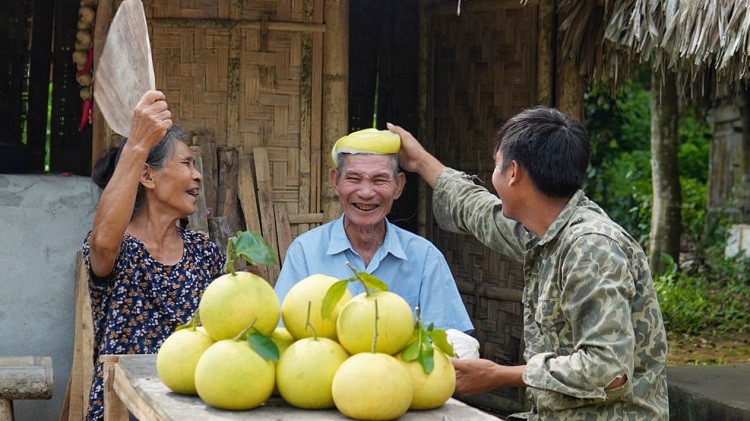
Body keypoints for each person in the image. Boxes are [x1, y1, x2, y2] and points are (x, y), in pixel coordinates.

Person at [388, 107, 669, 419]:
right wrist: (419, 160)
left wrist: (501, 375)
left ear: (513, 173)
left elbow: (609, 370)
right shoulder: (544, 231)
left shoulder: (592, 248)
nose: (493, 176)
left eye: (495, 166)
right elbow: (478, 210)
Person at [83, 91, 224, 420]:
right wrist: (137, 143)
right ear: (146, 175)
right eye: (187, 163)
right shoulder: (120, 250)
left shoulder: (205, 253)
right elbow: (103, 241)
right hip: (123, 407)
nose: (198, 175)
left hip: (191, 407)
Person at [274, 129, 473, 334]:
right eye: (353, 178)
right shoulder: (305, 252)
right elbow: (283, 333)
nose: (366, 193)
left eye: (379, 180)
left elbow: (450, 343)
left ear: (398, 186)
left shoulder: (425, 258)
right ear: (335, 182)